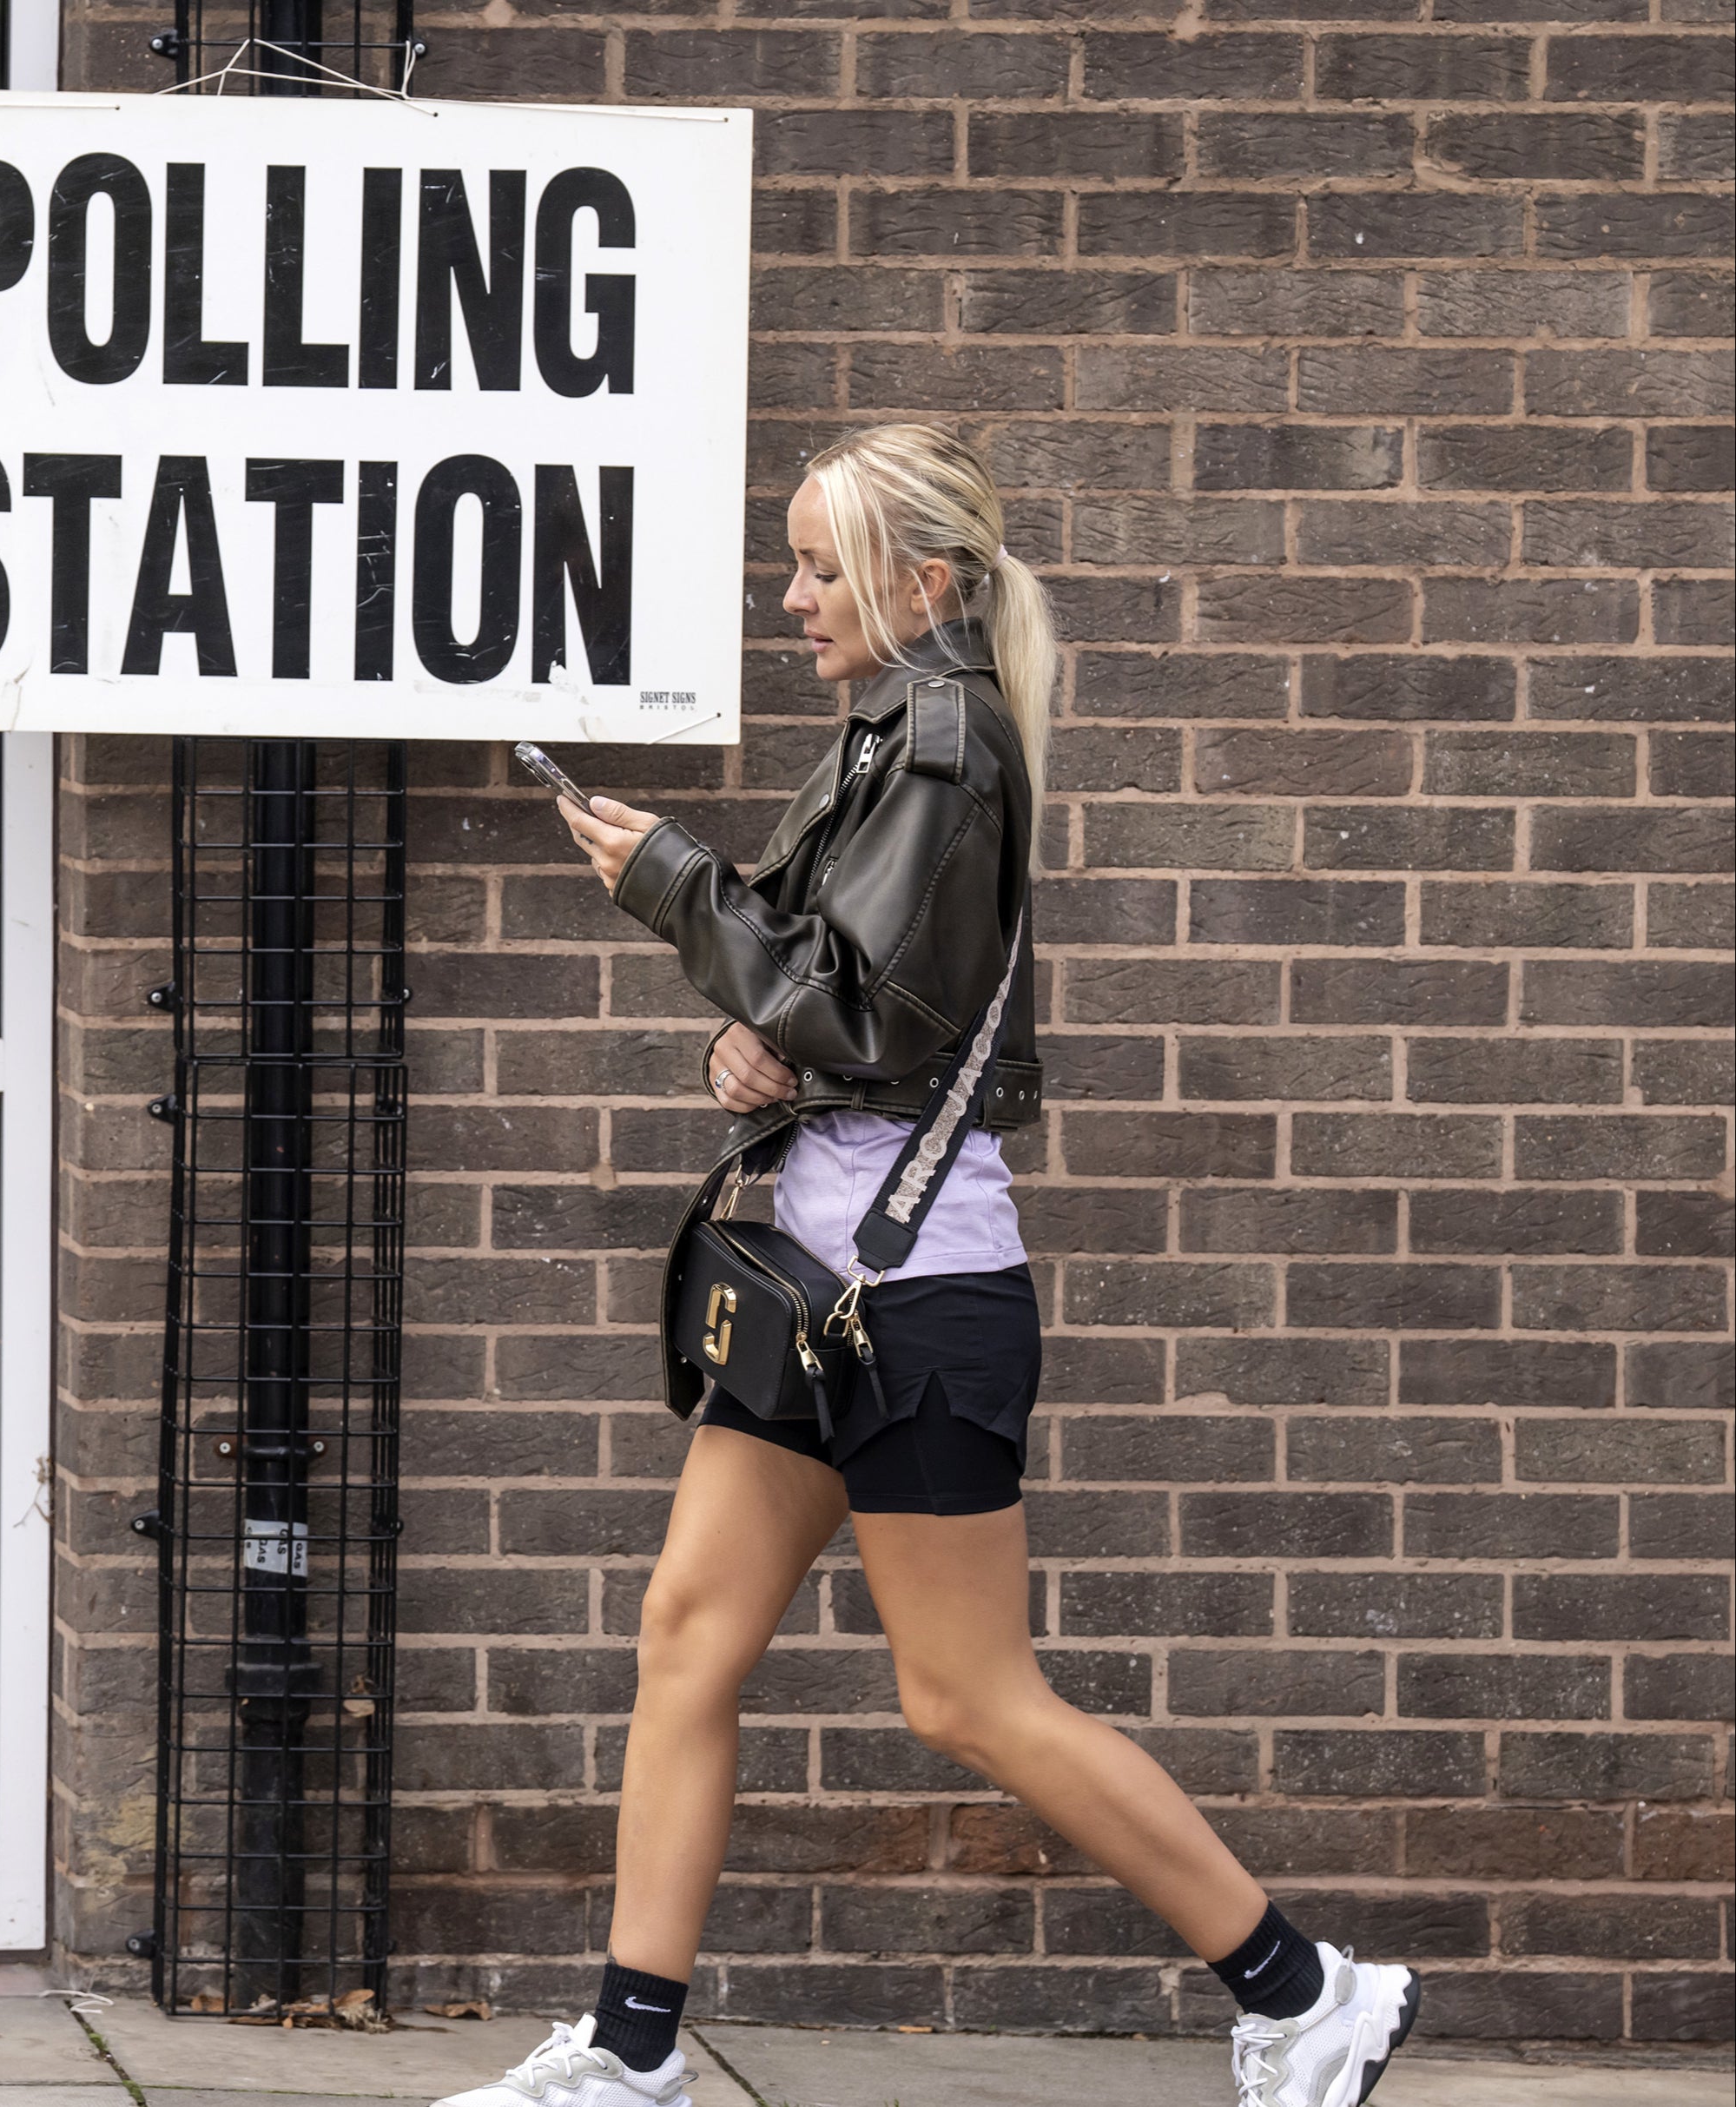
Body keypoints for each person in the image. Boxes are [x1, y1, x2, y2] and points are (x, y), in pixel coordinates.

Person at [428, 425, 1420, 2107]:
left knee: (966, 1695)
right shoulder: (894, 735)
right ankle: (630, 2051)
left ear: (923, 583)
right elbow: (834, 1001)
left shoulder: (945, 746)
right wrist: (746, 1049)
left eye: (821, 566)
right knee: (686, 1633)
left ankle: (1306, 1988)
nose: (792, 596)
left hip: (912, 1297)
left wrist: (669, 880)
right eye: (795, 562)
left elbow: (869, 1010)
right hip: (825, 1284)